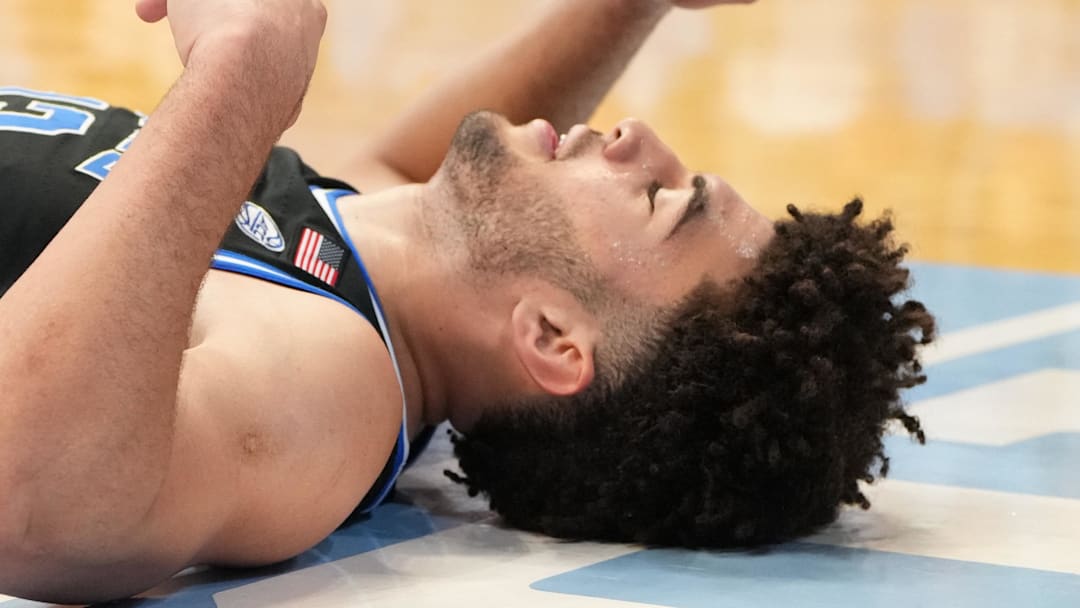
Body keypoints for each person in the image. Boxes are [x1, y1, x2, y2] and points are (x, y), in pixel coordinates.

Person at [0, 0, 933, 603]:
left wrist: (242, 70)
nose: (640, 136)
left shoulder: (333, 387)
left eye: (659, 200)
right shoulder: (371, 257)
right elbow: (418, 180)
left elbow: (38, 498)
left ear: (554, 338)